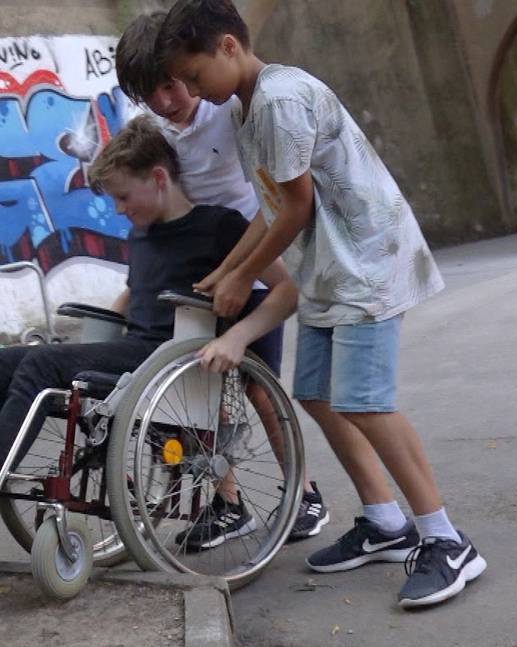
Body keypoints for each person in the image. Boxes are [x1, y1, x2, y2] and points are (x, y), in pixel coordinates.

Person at [0, 115, 297, 557]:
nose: (120, 211)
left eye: (123, 197)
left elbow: (286, 291)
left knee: (41, 366)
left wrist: (235, 338)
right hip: (133, 354)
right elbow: (134, 296)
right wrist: (87, 336)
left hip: (170, 363)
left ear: (159, 178)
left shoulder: (220, 227)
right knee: (3, 362)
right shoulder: (144, 236)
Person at [157, 0, 487, 608]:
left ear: (229, 46)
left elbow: (298, 208)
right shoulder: (245, 108)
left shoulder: (280, 100)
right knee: (314, 392)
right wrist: (227, 270)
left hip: (366, 263)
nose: (194, 93)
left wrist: (245, 276)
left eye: (195, 76)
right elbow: (271, 205)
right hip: (330, 269)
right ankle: (385, 522)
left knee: (365, 401)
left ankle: (444, 538)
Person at [115, 11, 331, 545]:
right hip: (199, 266)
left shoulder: (226, 108)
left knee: (258, 388)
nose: (168, 100)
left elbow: (280, 193)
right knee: (195, 396)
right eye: (152, 94)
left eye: (172, 84)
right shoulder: (158, 131)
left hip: (256, 257)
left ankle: (303, 492)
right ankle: (226, 500)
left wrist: (246, 269)